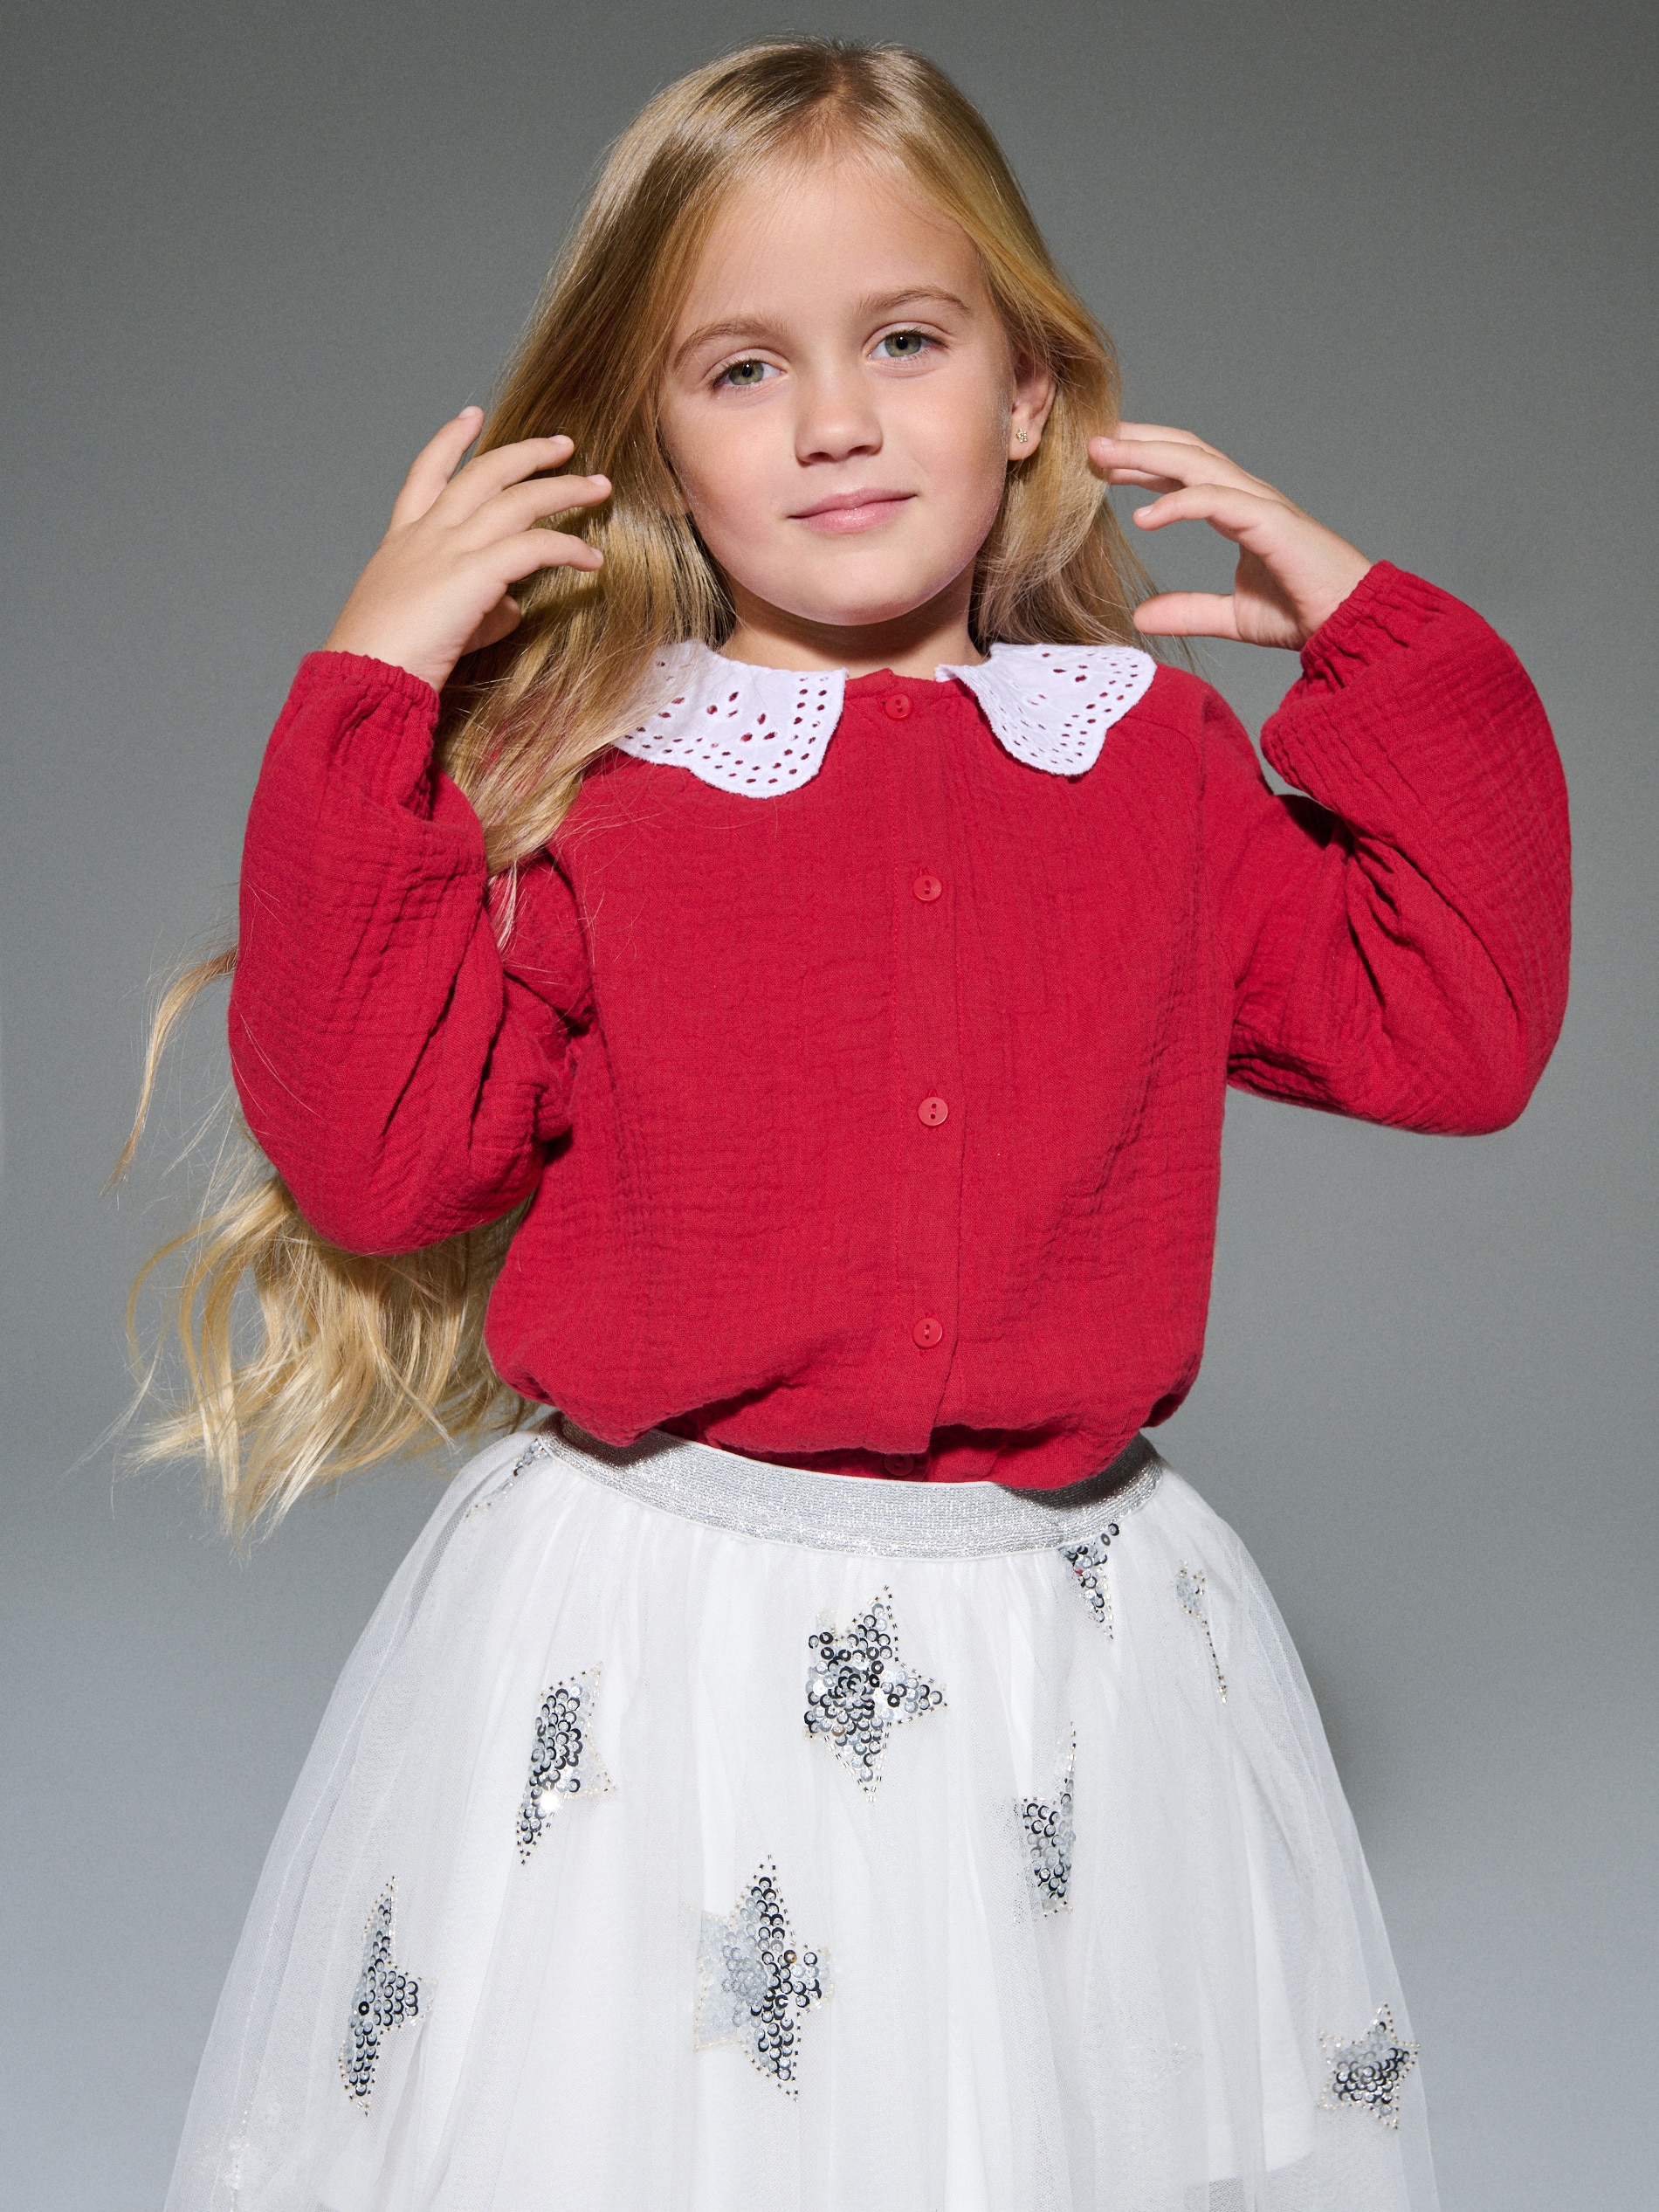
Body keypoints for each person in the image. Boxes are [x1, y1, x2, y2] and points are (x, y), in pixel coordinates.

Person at [144, 36, 1569, 2212]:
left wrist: (1385, 652)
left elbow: (1452, 1029)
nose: (832, 419)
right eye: (742, 369)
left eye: (903, 340)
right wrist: (372, 689)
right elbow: (379, 1154)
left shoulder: (1148, 759)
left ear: (1026, 390)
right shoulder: (602, 776)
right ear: (651, 442)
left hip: (1067, 1645)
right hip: (663, 1638)